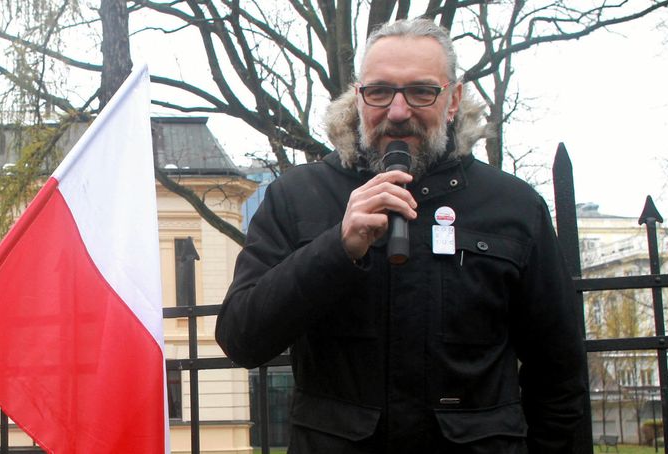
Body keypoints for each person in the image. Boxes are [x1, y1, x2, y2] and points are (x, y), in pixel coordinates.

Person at [216, 18, 586, 453]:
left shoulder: (513, 206)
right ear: (358, 97)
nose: (397, 111)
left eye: (421, 91)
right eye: (379, 91)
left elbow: (559, 377)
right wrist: (336, 249)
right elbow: (242, 340)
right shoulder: (295, 198)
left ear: (453, 100)